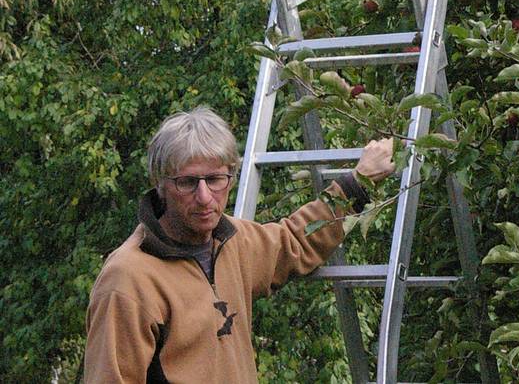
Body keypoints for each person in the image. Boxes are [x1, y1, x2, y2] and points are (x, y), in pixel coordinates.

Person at [82, 106, 394, 383]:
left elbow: (294, 240)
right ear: (159, 183)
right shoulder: (128, 280)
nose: (205, 198)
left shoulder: (234, 242)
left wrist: (357, 183)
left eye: (216, 179)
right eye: (188, 182)